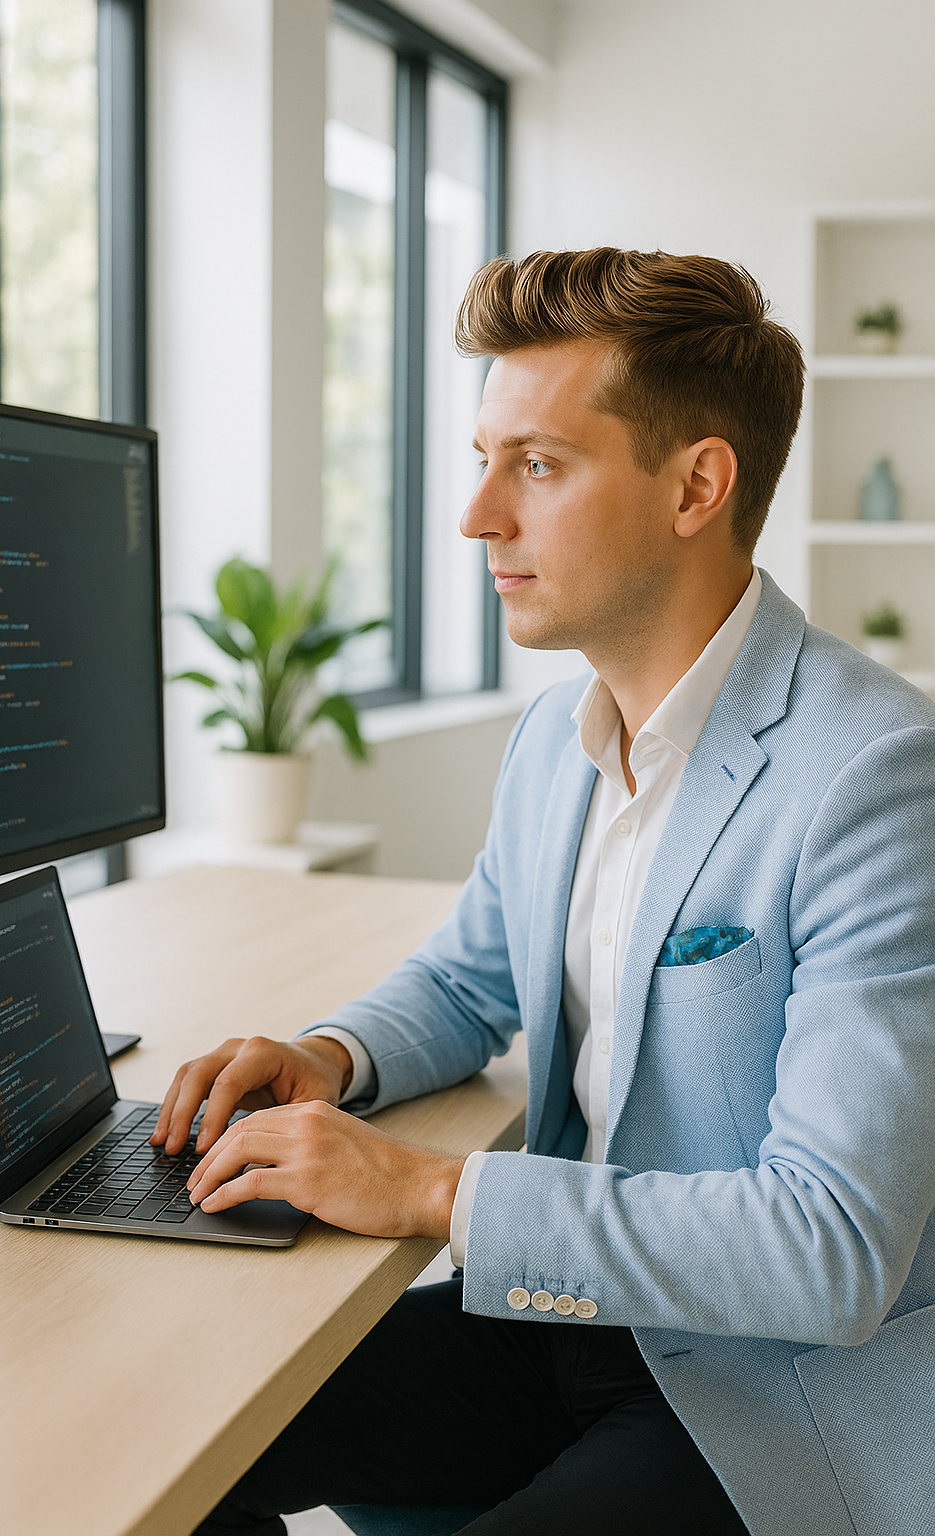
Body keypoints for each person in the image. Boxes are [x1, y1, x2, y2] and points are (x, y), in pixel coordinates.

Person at [153, 249, 935, 1536]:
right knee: (179, 1433)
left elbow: (831, 1248)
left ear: (697, 484)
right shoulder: (553, 741)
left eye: (536, 464)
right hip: (566, 1317)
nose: (475, 518)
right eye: (483, 459)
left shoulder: (874, 777)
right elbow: (469, 978)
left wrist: (432, 1192)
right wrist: (330, 1056)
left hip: (767, 1387)